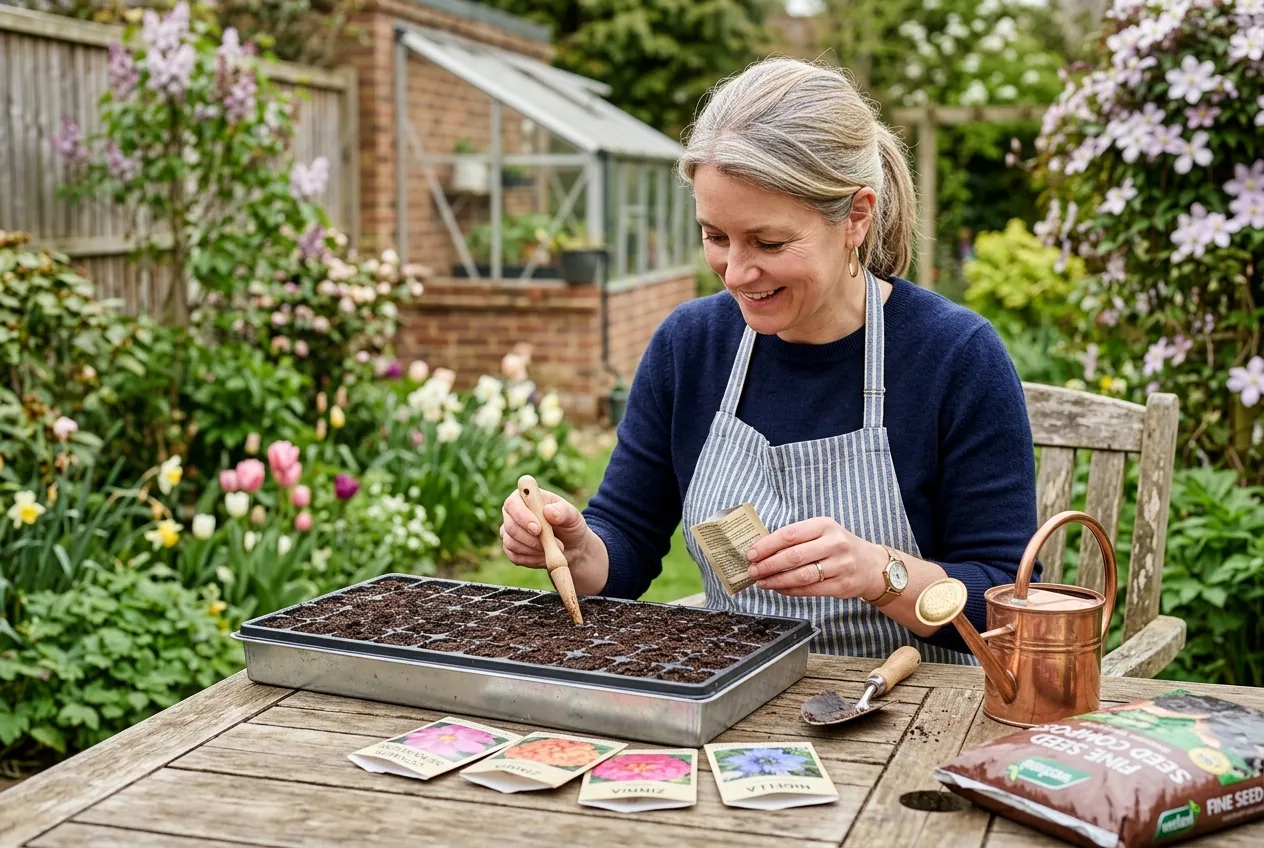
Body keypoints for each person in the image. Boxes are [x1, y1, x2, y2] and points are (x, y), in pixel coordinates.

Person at [499, 57, 1038, 663]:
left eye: (769, 242)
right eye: (715, 235)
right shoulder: (691, 345)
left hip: (909, 708)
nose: (735, 272)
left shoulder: (954, 356)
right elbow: (626, 541)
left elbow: (1008, 606)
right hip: (731, 697)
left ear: (856, 216)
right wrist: (577, 549)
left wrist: (878, 573)